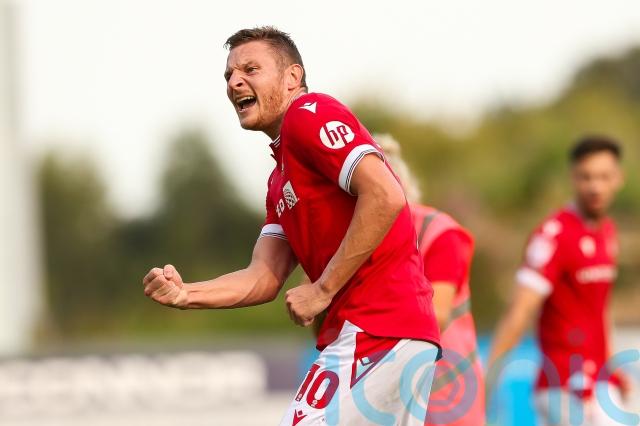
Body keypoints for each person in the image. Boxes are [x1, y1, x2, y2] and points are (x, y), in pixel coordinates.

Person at [142, 27, 441, 425]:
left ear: (292, 77)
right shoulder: (278, 180)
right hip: (389, 333)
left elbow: (386, 195)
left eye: (250, 69)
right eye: (229, 75)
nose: (234, 82)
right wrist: (186, 294)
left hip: (377, 327)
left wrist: (322, 289)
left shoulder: (308, 113)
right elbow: (264, 277)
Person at [487, 136, 628, 425]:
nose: (595, 187)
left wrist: (613, 365)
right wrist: (487, 381)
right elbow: (519, 311)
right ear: (573, 177)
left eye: (604, 177)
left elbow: (599, 307)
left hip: (601, 383)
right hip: (562, 386)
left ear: (618, 178)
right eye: (586, 177)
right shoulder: (553, 235)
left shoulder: (607, 232)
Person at [375, 134, 485, 426]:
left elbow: (436, 317)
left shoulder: (438, 231)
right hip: (380, 391)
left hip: (445, 389)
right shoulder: (349, 242)